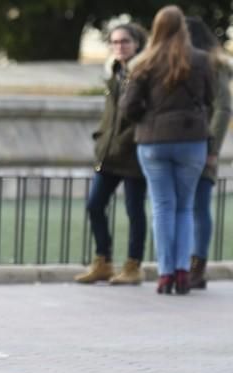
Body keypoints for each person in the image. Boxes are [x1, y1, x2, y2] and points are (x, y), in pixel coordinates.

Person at [121, 5, 214, 295]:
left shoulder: (144, 62)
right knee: (185, 207)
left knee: (162, 206)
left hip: (153, 141)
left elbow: (128, 107)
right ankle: (183, 271)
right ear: (183, 29)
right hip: (192, 141)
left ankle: (164, 273)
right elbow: (209, 99)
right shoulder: (200, 60)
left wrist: (147, 119)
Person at [75, 23, 149, 285]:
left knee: (134, 210)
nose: (119, 47)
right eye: (115, 42)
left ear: (137, 44)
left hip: (133, 154)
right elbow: (110, 115)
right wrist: (101, 139)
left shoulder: (144, 72)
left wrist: (122, 140)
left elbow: (143, 115)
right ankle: (103, 261)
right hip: (108, 153)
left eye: (125, 42)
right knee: (94, 205)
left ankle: (133, 265)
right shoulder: (115, 71)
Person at [186, 16, 231, 289]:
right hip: (185, 143)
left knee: (199, 206)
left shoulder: (215, 65)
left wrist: (211, 148)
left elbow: (224, 109)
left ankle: (197, 265)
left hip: (202, 147)